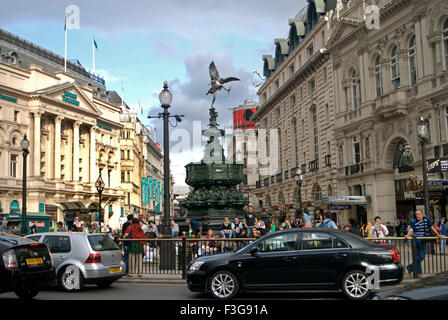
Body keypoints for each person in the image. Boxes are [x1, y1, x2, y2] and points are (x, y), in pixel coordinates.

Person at [405, 210, 442, 278]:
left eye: (418, 214)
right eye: (416, 214)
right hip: (415, 240)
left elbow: (431, 227)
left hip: (423, 240)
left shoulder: (426, 219)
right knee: (417, 257)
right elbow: (411, 229)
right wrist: (407, 235)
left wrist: (438, 234)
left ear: (422, 214)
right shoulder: (414, 221)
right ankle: (419, 273)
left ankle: (410, 268)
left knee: (421, 256)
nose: (417, 216)